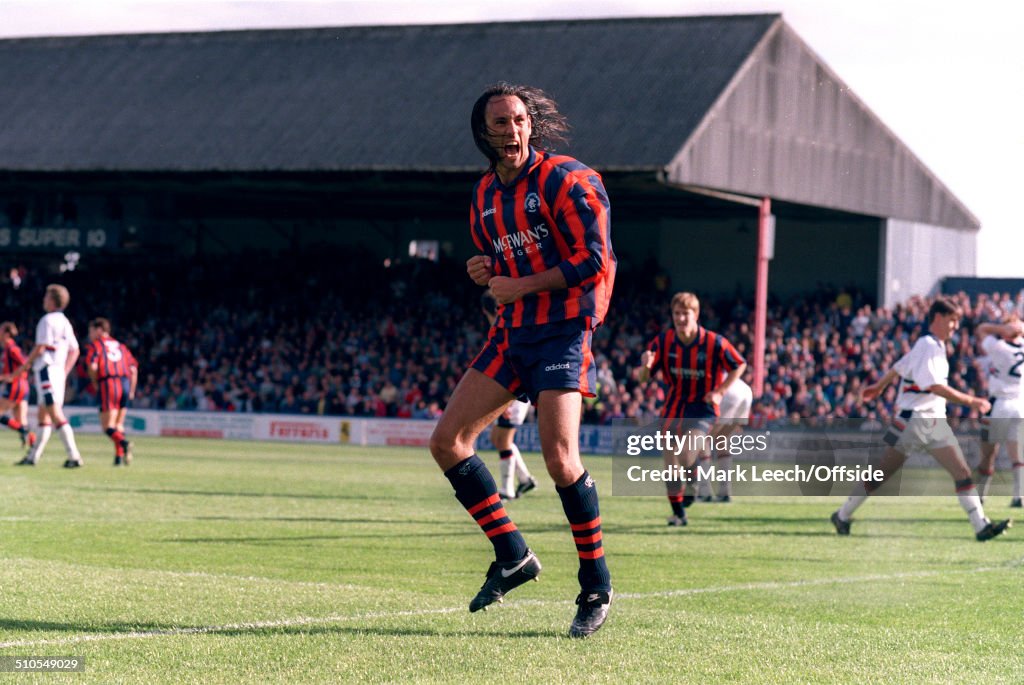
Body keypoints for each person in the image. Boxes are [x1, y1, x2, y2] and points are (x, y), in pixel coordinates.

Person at [429, 82, 616, 638]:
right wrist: (484, 269)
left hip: (562, 331)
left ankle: (596, 585)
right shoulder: (484, 193)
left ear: (530, 125)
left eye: (517, 121)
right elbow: (500, 255)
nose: (510, 132)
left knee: (560, 458)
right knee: (446, 442)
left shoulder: (568, 178)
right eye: (499, 123)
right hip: (513, 333)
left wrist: (520, 284)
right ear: (482, 133)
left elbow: (595, 260)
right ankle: (512, 554)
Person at [832, 296, 1011, 541]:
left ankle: (981, 526)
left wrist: (880, 385)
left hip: (932, 420)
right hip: (912, 421)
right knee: (880, 475)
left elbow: (899, 366)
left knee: (961, 470)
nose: (955, 327)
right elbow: (934, 386)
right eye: (952, 320)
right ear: (938, 318)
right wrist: (972, 401)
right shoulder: (928, 344)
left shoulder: (931, 345)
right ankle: (842, 515)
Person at [638, 292, 746, 526]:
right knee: (670, 462)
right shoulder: (663, 342)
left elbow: (739, 364)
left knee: (686, 453)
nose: (681, 319)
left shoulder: (714, 342)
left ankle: (695, 479)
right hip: (673, 406)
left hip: (702, 407)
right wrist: (645, 368)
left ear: (695, 315)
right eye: (677, 314)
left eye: (685, 314)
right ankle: (678, 514)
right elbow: (643, 379)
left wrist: (720, 391)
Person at [3, 284, 83, 467]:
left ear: (53, 300)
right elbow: (75, 350)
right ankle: (33, 457)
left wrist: (23, 368)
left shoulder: (47, 320)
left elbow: (40, 347)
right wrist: (64, 371)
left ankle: (74, 456)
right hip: (55, 372)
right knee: (43, 417)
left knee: (54, 414)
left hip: (47, 369)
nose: (43, 300)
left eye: (46, 297)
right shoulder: (64, 321)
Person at [480, 289, 538, 500]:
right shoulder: (509, 325)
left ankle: (507, 490)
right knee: (498, 438)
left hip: (514, 394)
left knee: (503, 440)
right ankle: (525, 479)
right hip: (513, 392)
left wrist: (506, 402)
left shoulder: (505, 329)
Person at [974, 315, 1024, 506]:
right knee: (1017, 454)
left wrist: (1001, 329)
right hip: (1020, 404)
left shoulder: (999, 347)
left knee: (988, 454)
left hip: (999, 404)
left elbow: (981, 329)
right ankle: (1019, 496)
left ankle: (980, 495)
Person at [85, 317, 139, 466]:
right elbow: (133, 369)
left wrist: (95, 382)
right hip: (125, 383)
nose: (89, 335)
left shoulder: (96, 346)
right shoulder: (121, 346)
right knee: (118, 424)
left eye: (91, 331)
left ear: (99, 330)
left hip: (109, 383)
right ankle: (118, 458)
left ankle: (124, 443)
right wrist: (132, 390)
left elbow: (93, 366)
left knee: (107, 426)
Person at [695, 377, 753, 503]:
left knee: (703, 440)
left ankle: (704, 492)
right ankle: (724, 492)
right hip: (744, 390)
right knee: (722, 440)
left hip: (725, 390)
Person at [0, 322, 36, 450]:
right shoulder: (6, 349)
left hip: (17, 385)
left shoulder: (12, 348)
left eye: (1, 330)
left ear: (7, 334)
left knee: (18, 423)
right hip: (21, 385)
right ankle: (34, 450)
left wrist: (11, 376)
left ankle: (23, 430)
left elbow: (26, 363)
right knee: (21, 420)